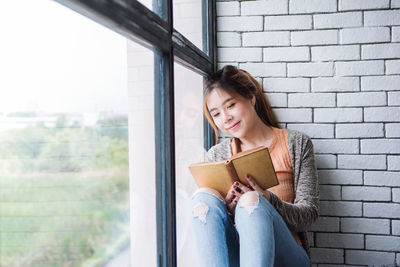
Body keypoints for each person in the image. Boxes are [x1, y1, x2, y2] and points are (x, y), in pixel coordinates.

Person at [190, 65, 319, 267]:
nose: (225, 118)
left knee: (252, 200)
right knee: (203, 197)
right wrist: (230, 209)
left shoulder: (296, 143)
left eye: (231, 105)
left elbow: (309, 215)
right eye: (216, 114)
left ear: (251, 97)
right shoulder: (216, 154)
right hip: (237, 255)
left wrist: (267, 200)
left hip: (288, 256)